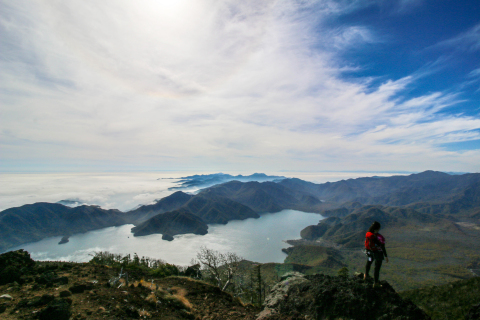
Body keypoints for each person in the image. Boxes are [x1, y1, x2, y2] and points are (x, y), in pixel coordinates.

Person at [364, 221, 389, 288]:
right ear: (378, 228)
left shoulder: (368, 234)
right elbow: (382, 247)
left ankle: (365, 275)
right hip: (378, 253)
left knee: (369, 262)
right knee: (377, 267)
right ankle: (376, 283)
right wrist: (386, 256)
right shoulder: (380, 237)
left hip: (369, 252)